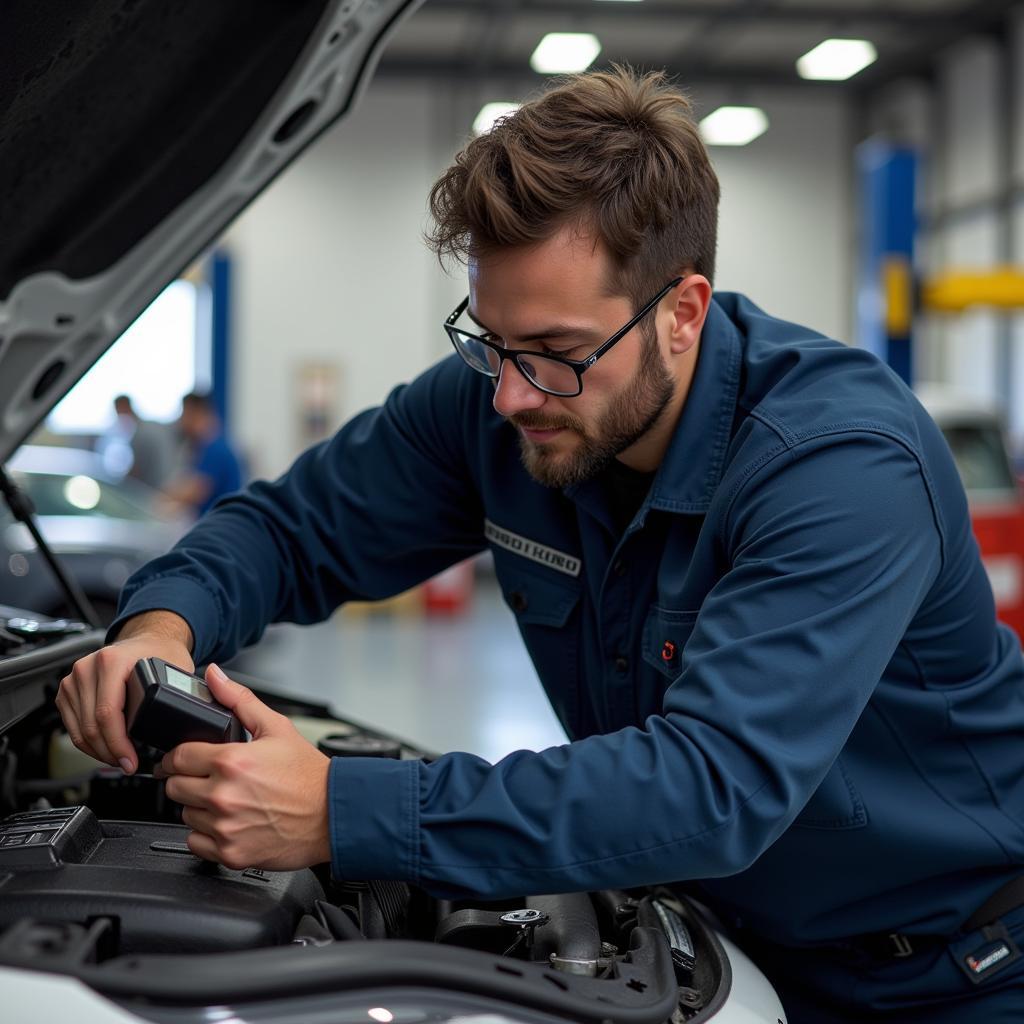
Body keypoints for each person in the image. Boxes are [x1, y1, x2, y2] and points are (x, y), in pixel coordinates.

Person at [56, 68, 1024, 1021]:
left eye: (557, 354)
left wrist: (340, 808)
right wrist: (159, 629)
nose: (512, 395)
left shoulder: (839, 464)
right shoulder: (504, 406)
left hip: (952, 973)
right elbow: (289, 527)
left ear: (681, 315)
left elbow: (709, 785)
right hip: (728, 945)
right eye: (489, 339)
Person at [162, 391, 243, 518]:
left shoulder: (215, 449)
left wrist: (162, 501)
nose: (181, 421)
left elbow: (195, 491)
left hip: (219, 526)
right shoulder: (203, 447)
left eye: (184, 414)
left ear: (196, 413)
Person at [102, 395, 176, 490]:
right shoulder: (148, 427)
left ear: (123, 407)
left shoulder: (141, 433)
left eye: (117, 410)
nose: (118, 415)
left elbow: (137, 469)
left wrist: (121, 486)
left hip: (153, 488)